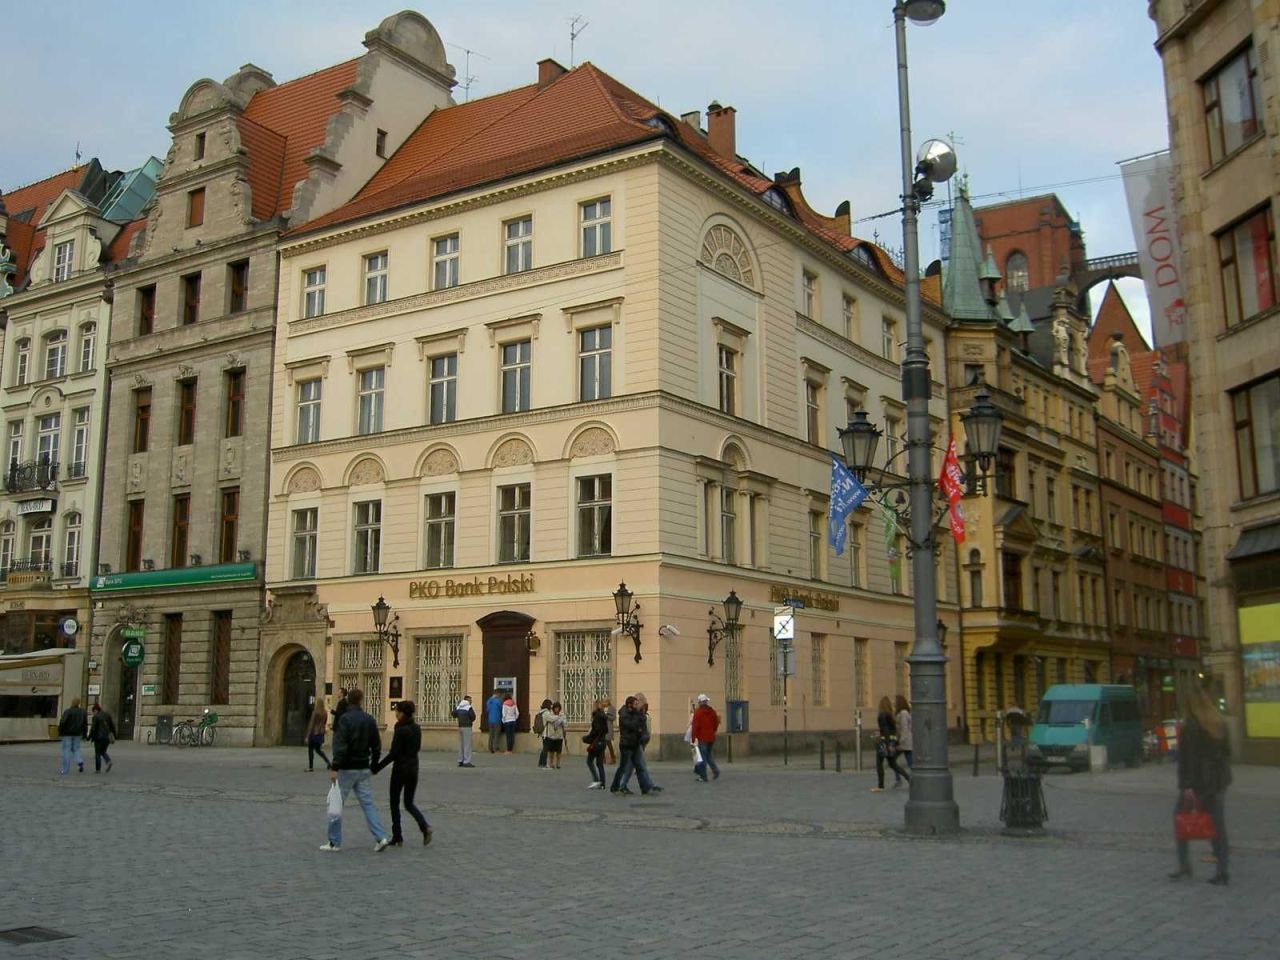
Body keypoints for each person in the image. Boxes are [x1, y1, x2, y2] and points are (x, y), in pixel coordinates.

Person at [1169, 683, 1231, 885]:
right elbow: (1227, 753)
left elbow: (1189, 760)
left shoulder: (1191, 727)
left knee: (1179, 818)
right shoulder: (1219, 724)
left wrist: (1187, 786)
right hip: (1218, 782)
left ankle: (1184, 865)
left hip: (1196, 784)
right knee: (1217, 827)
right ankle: (1222, 871)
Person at [320, 688, 392, 853]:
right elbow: (376, 745)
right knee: (368, 804)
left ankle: (334, 842)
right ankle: (381, 837)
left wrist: (334, 766)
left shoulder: (344, 720)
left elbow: (340, 746)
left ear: (348, 701)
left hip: (346, 768)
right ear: (361, 700)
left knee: (336, 804)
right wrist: (374, 764)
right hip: (363, 767)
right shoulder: (369, 719)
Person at [372, 700, 432, 846]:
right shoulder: (417, 728)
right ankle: (424, 826)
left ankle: (397, 835)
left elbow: (393, 753)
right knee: (409, 803)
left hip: (400, 769)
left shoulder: (400, 729)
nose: (395, 713)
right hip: (413, 768)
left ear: (402, 713)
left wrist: (377, 767)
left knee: (394, 802)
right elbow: (416, 748)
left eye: (397, 711)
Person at [871, 695, 911, 792]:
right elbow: (891, 730)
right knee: (893, 764)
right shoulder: (890, 715)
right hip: (891, 741)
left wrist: (886, 742)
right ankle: (909, 779)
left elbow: (885, 730)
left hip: (885, 742)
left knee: (879, 763)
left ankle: (880, 786)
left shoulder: (882, 715)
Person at [691, 693, 721, 782]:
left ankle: (703, 776)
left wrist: (693, 738)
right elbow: (716, 723)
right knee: (708, 756)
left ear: (700, 703)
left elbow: (695, 727)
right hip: (711, 737)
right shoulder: (712, 711)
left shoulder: (698, 713)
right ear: (706, 702)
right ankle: (716, 771)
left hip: (702, 738)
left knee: (702, 758)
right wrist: (713, 731)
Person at [57, 697, 88, 775]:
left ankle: (65, 769)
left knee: (66, 750)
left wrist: (60, 732)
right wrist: (84, 734)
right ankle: (79, 761)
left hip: (67, 733)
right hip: (78, 733)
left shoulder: (68, 711)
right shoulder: (82, 712)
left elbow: (62, 722)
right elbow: (85, 724)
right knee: (76, 749)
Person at [584, 699, 609, 789]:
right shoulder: (604, 716)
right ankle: (602, 783)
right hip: (603, 741)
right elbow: (606, 730)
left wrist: (587, 738)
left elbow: (595, 731)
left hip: (596, 742)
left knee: (589, 761)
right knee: (599, 763)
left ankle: (596, 780)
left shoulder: (597, 716)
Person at [88, 703, 116, 773]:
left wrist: (89, 737)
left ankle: (98, 769)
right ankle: (108, 761)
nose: (93, 713)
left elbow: (93, 729)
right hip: (106, 737)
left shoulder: (96, 717)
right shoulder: (107, 715)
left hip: (98, 737)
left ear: (96, 710)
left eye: (93, 711)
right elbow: (112, 726)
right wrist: (114, 735)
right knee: (103, 751)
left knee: (97, 753)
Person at [306, 697, 330, 772]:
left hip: (314, 733)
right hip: (320, 733)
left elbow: (311, 723)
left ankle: (311, 767)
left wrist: (307, 735)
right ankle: (328, 762)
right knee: (318, 750)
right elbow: (325, 722)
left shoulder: (315, 712)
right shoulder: (325, 712)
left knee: (310, 750)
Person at [543, 702, 567, 769]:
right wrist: (559, 718)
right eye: (555, 708)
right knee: (551, 751)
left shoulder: (562, 715)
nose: (557, 709)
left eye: (558, 708)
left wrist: (562, 721)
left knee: (559, 751)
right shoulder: (549, 714)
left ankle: (558, 763)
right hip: (551, 735)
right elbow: (551, 719)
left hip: (559, 736)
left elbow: (565, 724)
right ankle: (551, 763)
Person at [454, 695, 476, 767]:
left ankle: (460, 760)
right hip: (467, 727)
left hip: (460, 726)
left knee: (461, 744)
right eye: (470, 700)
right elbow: (473, 716)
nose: (471, 701)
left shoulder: (459, 706)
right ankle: (467, 761)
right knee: (467, 745)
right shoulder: (468, 707)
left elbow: (453, 714)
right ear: (467, 700)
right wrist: (470, 721)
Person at [895, 695, 913, 772]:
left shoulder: (903, 713)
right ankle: (912, 777)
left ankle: (899, 779)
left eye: (896, 701)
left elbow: (904, 728)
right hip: (906, 740)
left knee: (892, 760)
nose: (894, 703)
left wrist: (901, 741)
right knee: (910, 761)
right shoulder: (904, 712)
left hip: (904, 740)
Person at [534, 698, 554, 768]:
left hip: (542, 733)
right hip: (546, 733)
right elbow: (552, 719)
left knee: (544, 748)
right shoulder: (546, 713)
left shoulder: (541, 712)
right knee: (546, 749)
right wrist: (558, 717)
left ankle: (540, 762)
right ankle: (543, 763)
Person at [602, 697, 618, 764]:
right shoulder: (602, 708)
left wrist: (607, 716)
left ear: (608, 702)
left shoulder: (612, 708)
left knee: (609, 743)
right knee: (602, 744)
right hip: (602, 728)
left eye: (605, 701)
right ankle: (603, 759)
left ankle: (613, 757)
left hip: (608, 728)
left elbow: (614, 717)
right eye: (603, 701)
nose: (604, 703)